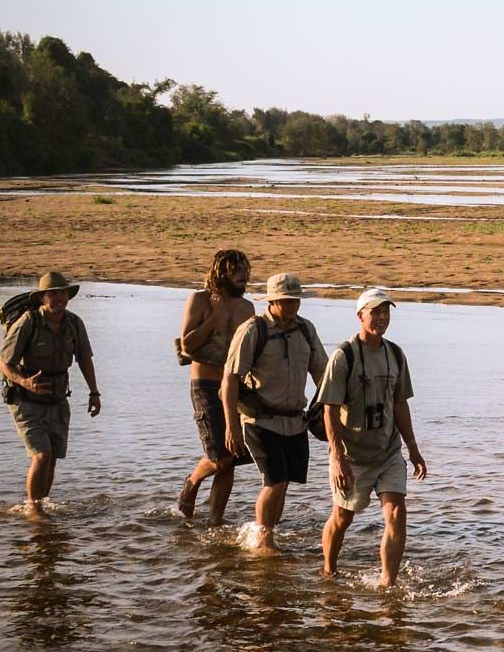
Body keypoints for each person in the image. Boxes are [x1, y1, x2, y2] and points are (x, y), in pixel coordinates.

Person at [319, 289, 428, 588]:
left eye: (386, 313)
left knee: (396, 512)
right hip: (351, 455)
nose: (381, 318)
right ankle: (329, 572)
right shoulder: (344, 356)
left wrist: (414, 450)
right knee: (343, 517)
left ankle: (387, 582)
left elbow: (400, 403)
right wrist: (337, 457)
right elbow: (328, 409)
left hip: (388, 452)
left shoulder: (395, 353)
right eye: (375, 312)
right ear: (360, 316)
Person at [220, 273, 327, 554]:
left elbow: (323, 373)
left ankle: (268, 530)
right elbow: (230, 380)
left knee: (285, 482)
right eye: (286, 301)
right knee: (274, 480)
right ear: (272, 300)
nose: (292, 306)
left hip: (295, 420)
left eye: (295, 300)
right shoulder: (253, 330)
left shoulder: (306, 329)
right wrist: (231, 427)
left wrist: (336, 411)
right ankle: (264, 538)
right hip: (260, 419)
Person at [0, 272, 101, 515]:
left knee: (52, 457)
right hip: (26, 400)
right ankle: (33, 511)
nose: (59, 298)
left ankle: (41, 502)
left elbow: (85, 359)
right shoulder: (27, 322)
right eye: (53, 293)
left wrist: (94, 393)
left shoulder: (74, 323)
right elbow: (5, 364)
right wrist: (25, 382)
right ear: (43, 297)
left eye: (62, 293)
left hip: (58, 399)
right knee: (42, 455)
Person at [176, 249, 255, 524]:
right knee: (220, 458)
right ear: (221, 272)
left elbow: (250, 351)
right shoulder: (199, 300)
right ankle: (193, 481)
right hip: (205, 384)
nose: (244, 277)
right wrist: (214, 318)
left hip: (234, 388)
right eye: (238, 271)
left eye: (246, 271)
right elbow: (187, 344)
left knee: (231, 456)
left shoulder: (247, 308)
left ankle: (214, 521)